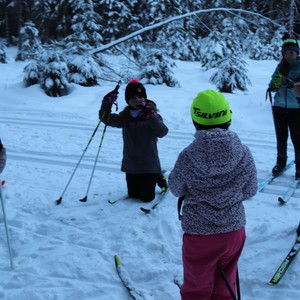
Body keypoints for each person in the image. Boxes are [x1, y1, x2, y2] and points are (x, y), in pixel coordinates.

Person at [168, 89, 257, 300]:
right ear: (228, 117)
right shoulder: (243, 152)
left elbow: (175, 188)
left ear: (195, 121)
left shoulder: (188, 156)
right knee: (225, 282)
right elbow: (250, 189)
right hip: (234, 232)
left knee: (197, 286)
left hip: (200, 235)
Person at [99, 79, 168, 202]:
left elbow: (162, 132)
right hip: (131, 164)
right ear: (128, 100)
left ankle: (158, 176)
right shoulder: (124, 117)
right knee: (134, 195)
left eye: (141, 97)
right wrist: (106, 104)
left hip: (149, 164)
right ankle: (155, 175)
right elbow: (106, 119)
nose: (138, 100)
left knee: (147, 198)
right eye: (134, 97)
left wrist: (150, 115)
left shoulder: (152, 115)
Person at [268, 33, 300, 179]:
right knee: (281, 137)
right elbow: (272, 87)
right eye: (286, 53)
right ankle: (280, 163)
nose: (288, 56)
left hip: (296, 109)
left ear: (297, 53)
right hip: (279, 108)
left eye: (291, 52)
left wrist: (293, 83)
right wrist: (275, 83)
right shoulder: (280, 67)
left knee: (297, 139)